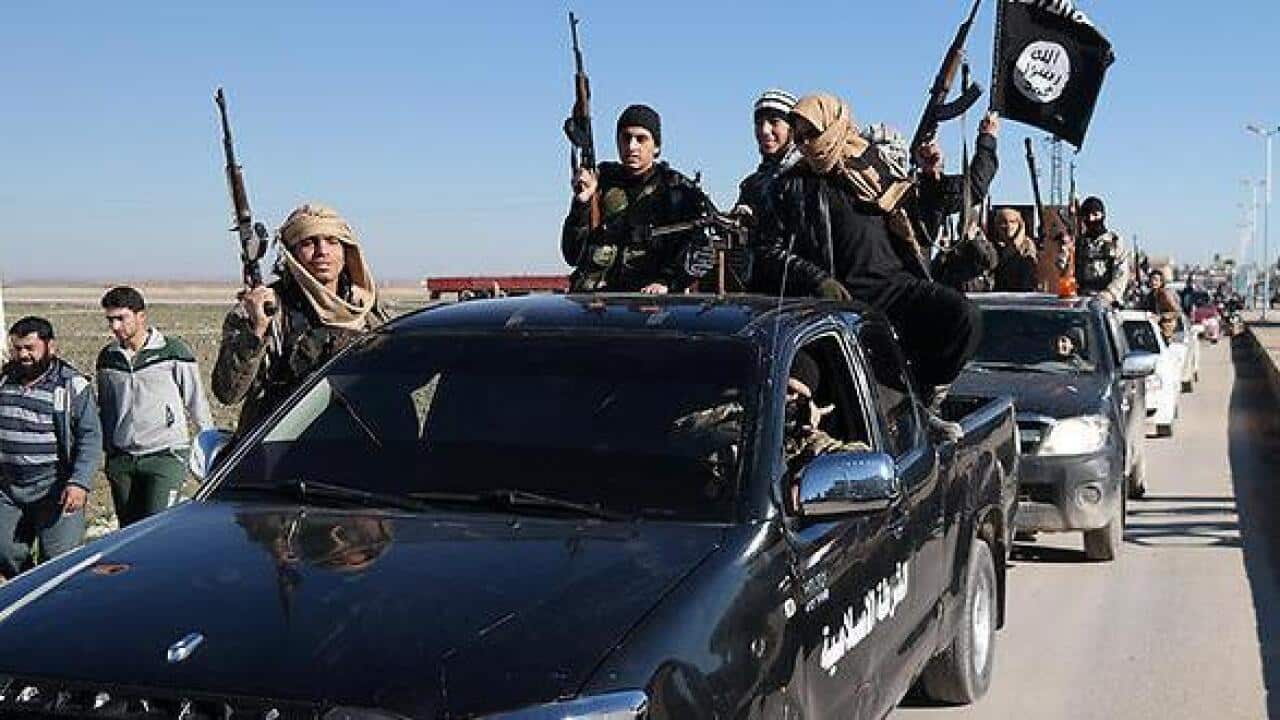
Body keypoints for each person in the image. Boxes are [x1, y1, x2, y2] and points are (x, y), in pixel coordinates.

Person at [760, 93, 980, 435]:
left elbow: (928, 218)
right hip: (840, 300)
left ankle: (921, 402)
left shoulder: (872, 167)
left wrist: (932, 175)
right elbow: (768, 251)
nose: (805, 144)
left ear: (833, 127)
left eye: (812, 134)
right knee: (812, 387)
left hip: (894, 287)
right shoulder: (792, 187)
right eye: (799, 137)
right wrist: (819, 280)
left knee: (963, 317)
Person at [213, 203, 389, 432]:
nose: (322, 251)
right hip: (286, 447)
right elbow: (227, 392)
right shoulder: (266, 309)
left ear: (346, 251)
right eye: (308, 243)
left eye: (332, 241)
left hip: (357, 441)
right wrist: (256, 332)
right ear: (291, 255)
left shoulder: (367, 309)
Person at [95, 286, 214, 526]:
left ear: (141, 316)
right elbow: (106, 407)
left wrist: (209, 449)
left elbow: (196, 401)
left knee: (158, 527)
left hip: (165, 455)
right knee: (129, 532)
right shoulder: (108, 357)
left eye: (121, 318)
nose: (115, 327)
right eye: (110, 320)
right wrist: (109, 454)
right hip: (123, 459)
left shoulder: (172, 351)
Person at [561, 104, 710, 293]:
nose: (632, 146)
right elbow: (572, 254)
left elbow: (700, 252)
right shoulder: (600, 181)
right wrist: (581, 205)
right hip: (593, 301)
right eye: (626, 138)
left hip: (647, 304)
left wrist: (668, 282)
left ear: (656, 147)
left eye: (641, 139)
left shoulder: (676, 190)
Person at [0, 317, 102, 578]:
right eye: (18, 348)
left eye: (30, 348)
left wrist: (79, 482)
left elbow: (90, 437)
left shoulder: (71, 385)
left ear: (50, 346)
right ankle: (27, 591)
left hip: (55, 487)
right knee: (4, 550)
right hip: (9, 488)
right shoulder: (3, 380)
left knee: (60, 565)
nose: (23, 355)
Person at [912, 112, 1001, 251]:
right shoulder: (906, 197)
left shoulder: (905, 196)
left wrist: (929, 175)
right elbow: (974, 189)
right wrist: (987, 137)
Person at [783, 350, 870, 492]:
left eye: (802, 398)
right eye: (788, 390)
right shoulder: (745, 426)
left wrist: (804, 476)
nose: (793, 400)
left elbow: (860, 456)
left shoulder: (806, 440)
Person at [1075, 196, 1132, 304]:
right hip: (1082, 298)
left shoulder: (1114, 241)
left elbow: (1121, 274)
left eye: (1095, 215)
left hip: (1108, 300)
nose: (1091, 219)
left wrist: (1108, 295)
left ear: (1103, 215)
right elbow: (1066, 270)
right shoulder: (1080, 243)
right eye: (1087, 215)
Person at [989, 208, 1039, 291]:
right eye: (1003, 222)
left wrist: (1019, 237)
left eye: (1012, 222)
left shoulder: (1027, 244)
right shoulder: (992, 245)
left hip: (1023, 295)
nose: (1008, 226)